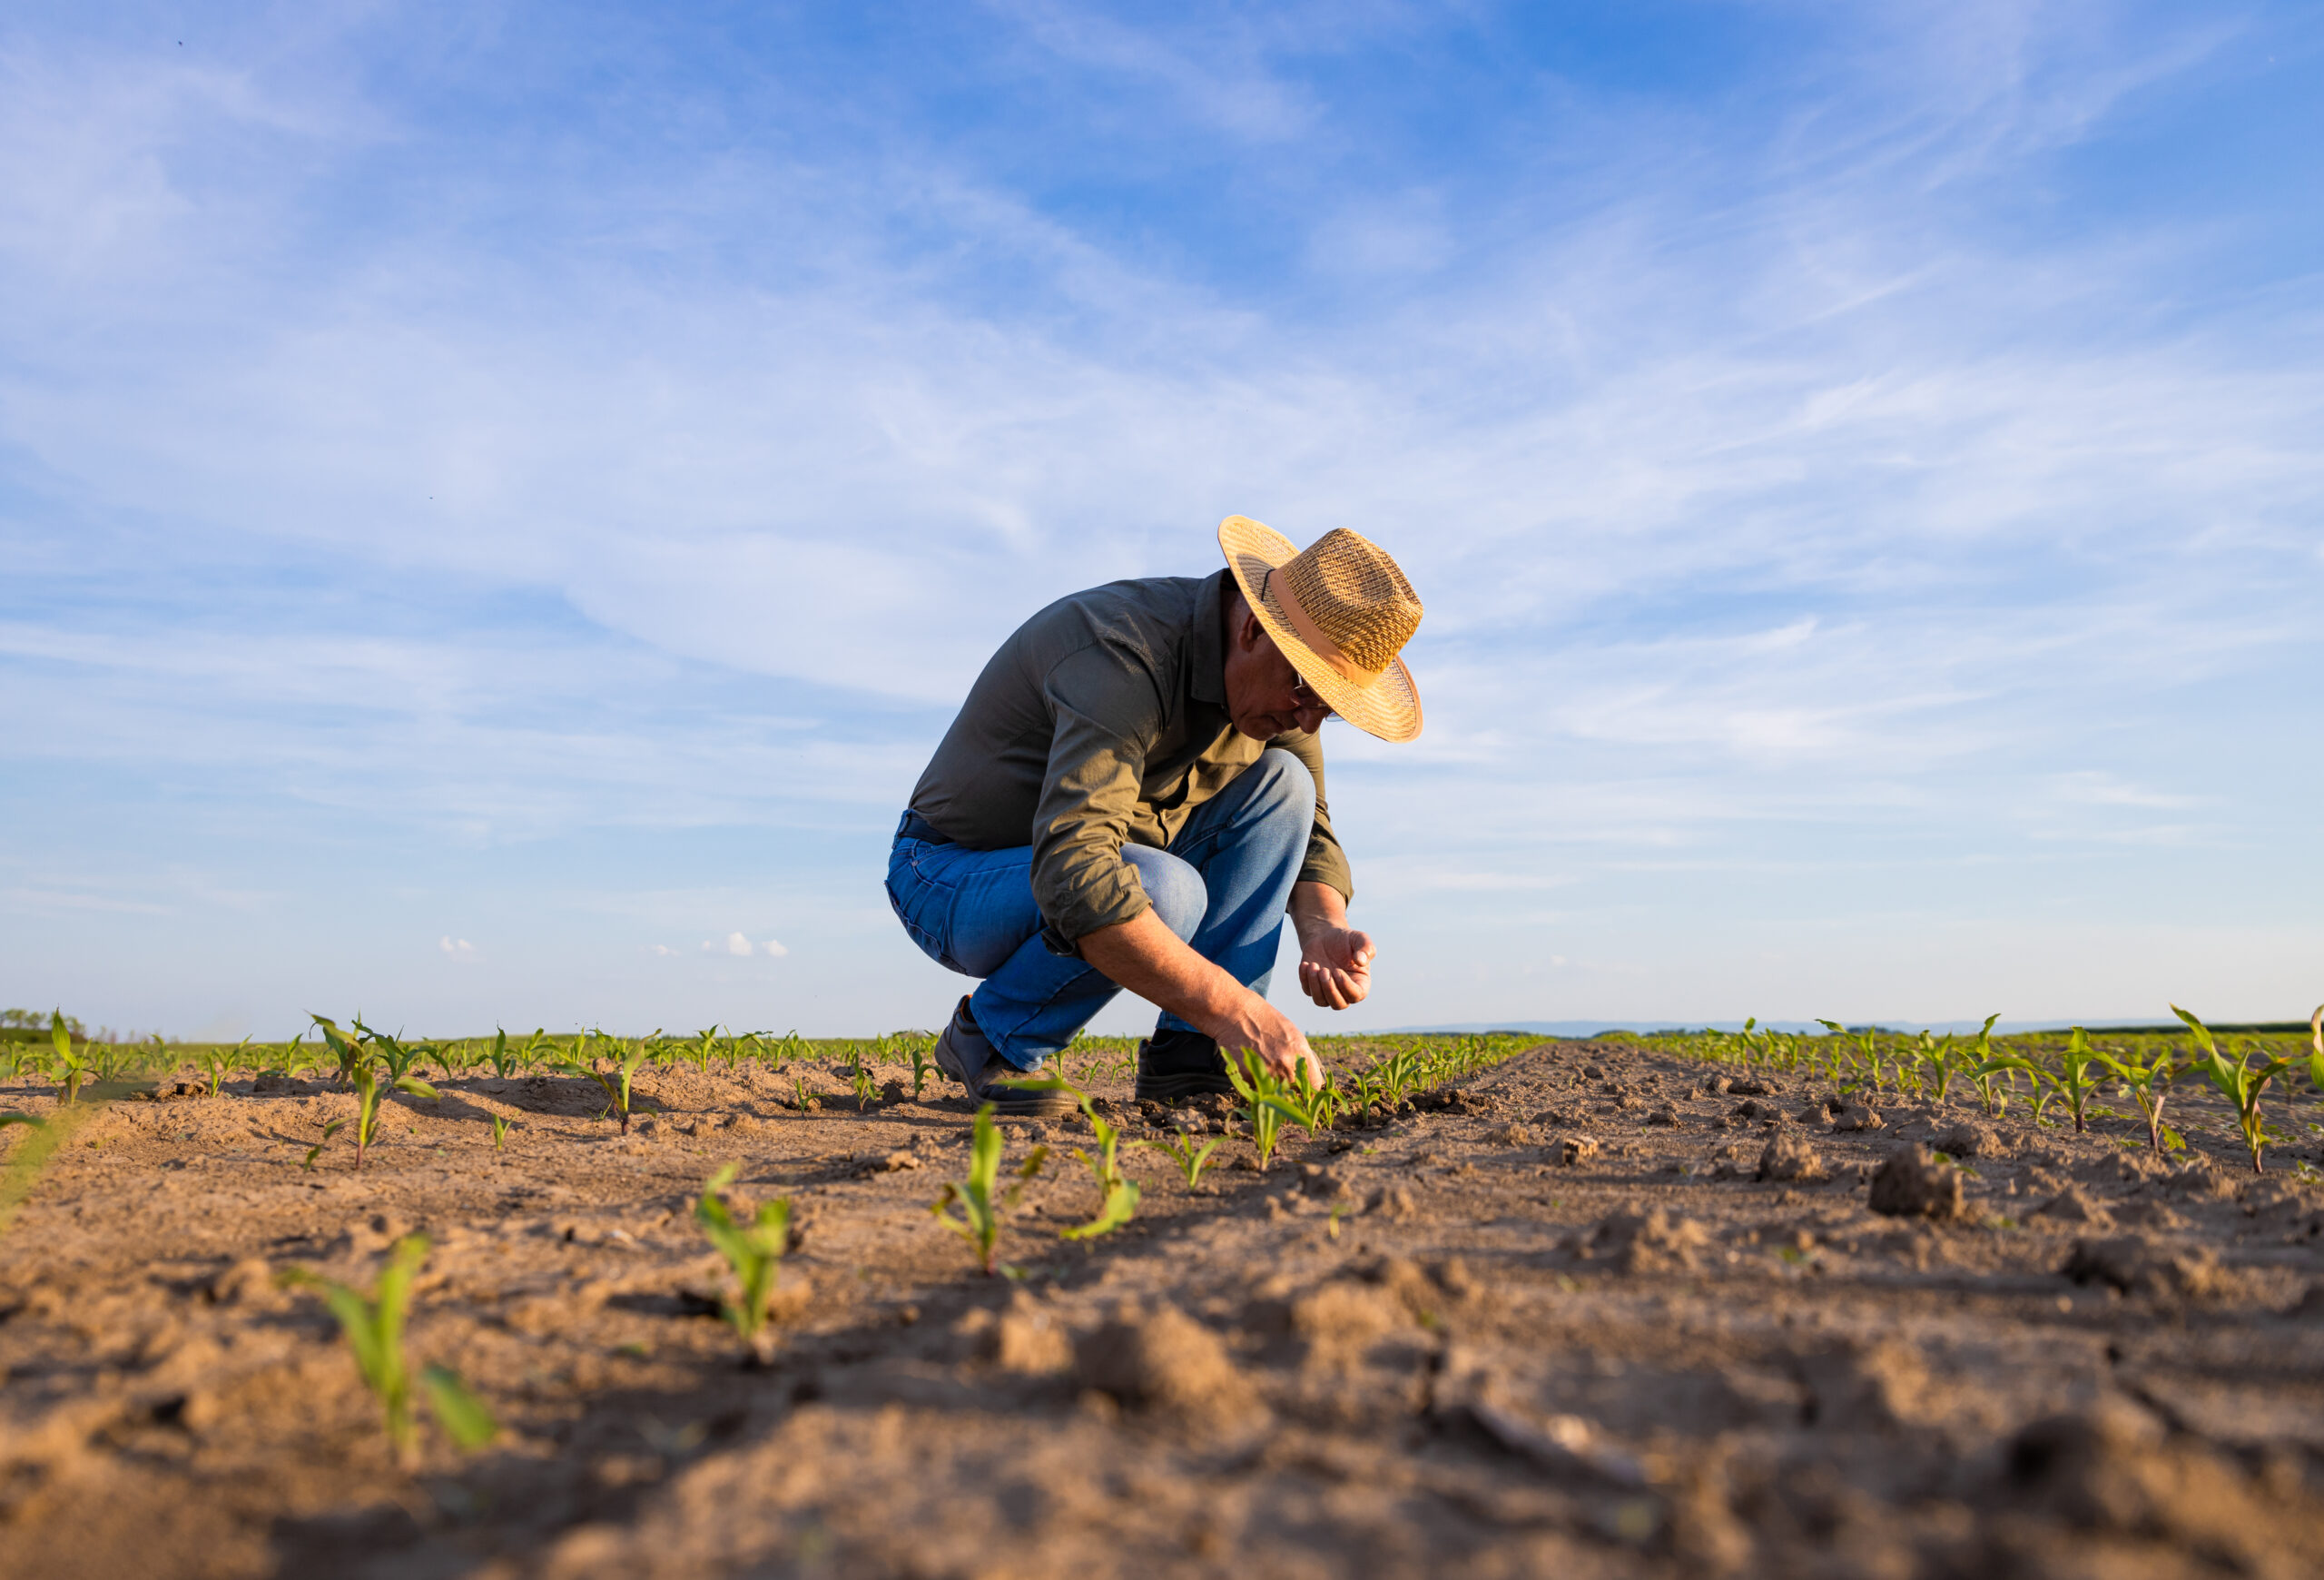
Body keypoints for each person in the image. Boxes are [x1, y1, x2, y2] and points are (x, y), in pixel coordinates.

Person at [885, 516, 1424, 1117]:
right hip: (949, 873)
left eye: (1330, 707)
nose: (1308, 719)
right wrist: (1235, 1011)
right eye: (1306, 693)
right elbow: (1077, 873)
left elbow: (1311, 824)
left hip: (1109, 861)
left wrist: (1323, 928)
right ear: (1253, 629)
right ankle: (992, 1041)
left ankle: (1188, 1062)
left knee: (1284, 785)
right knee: (1164, 889)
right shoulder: (1123, 656)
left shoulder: (1283, 694)